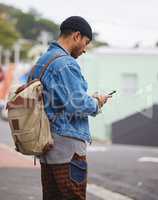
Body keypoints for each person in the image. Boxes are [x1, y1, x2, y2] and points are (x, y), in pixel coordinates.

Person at [30, 16, 111, 200]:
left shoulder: (42, 61)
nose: (85, 49)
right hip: (67, 149)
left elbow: (60, 101)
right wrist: (97, 101)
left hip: (46, 146)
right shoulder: (65, 64)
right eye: (86, 42)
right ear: (76, 36)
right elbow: (79, 104)